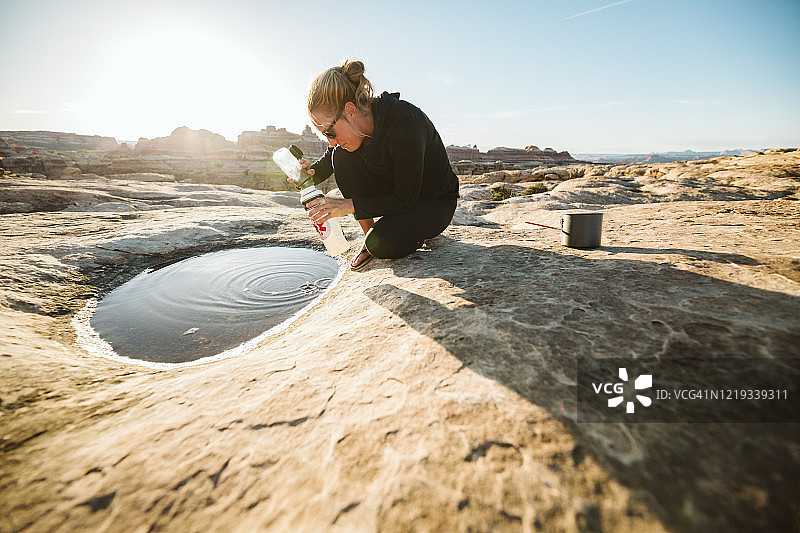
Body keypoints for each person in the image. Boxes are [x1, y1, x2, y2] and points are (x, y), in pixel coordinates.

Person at [299, 59, 459, 271]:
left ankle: (386, 238)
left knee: (383, 243)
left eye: (330, 132)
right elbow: (331, 156)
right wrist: (311, 172)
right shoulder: (357, 126)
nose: (330, 140)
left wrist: (349, 205)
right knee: (341, 155)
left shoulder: (404, 123)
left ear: (349, 110)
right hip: (397, 194)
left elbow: (405, 199)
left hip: (433, 202)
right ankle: (368, 237)